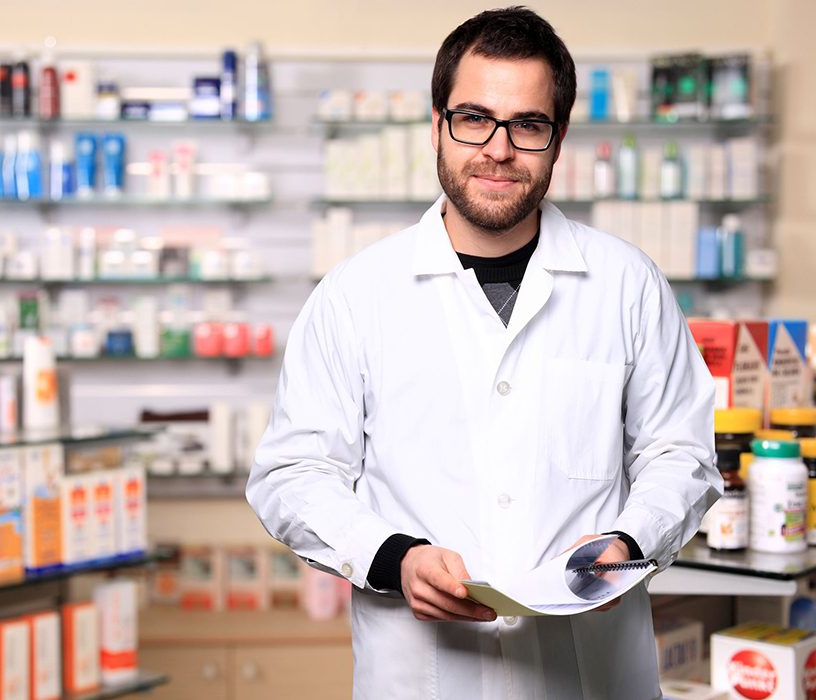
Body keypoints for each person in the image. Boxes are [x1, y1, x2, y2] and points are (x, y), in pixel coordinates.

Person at [246, 6, 721, 699]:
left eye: (528, 125)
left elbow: (680, 452)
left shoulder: (627, 283)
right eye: (474, 118)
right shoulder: (356, 294)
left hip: (588, 672)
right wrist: (393, 558)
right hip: (424, 673)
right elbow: (293, 473)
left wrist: (629, 544)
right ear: (437, 125)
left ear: (557, 140)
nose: (498, 149)